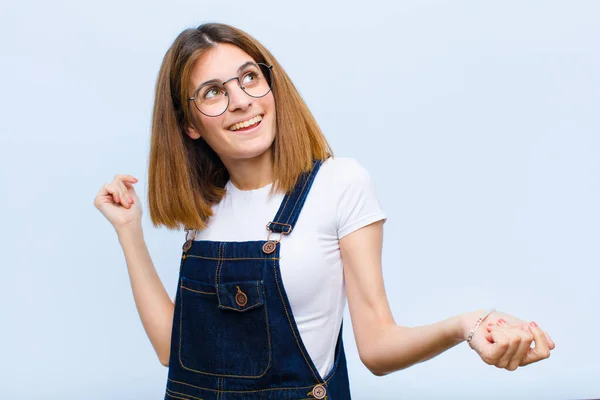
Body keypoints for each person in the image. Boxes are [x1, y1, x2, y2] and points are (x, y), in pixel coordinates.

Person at [93, 22, 555, 400]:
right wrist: (129, 231)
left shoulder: (340, 184)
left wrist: (465, 325)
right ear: (189, 124)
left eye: (249, 77)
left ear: (270, 84)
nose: (241, 101)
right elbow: (174, 352)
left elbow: (376, 347)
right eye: (213, 92)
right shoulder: (206, 208)